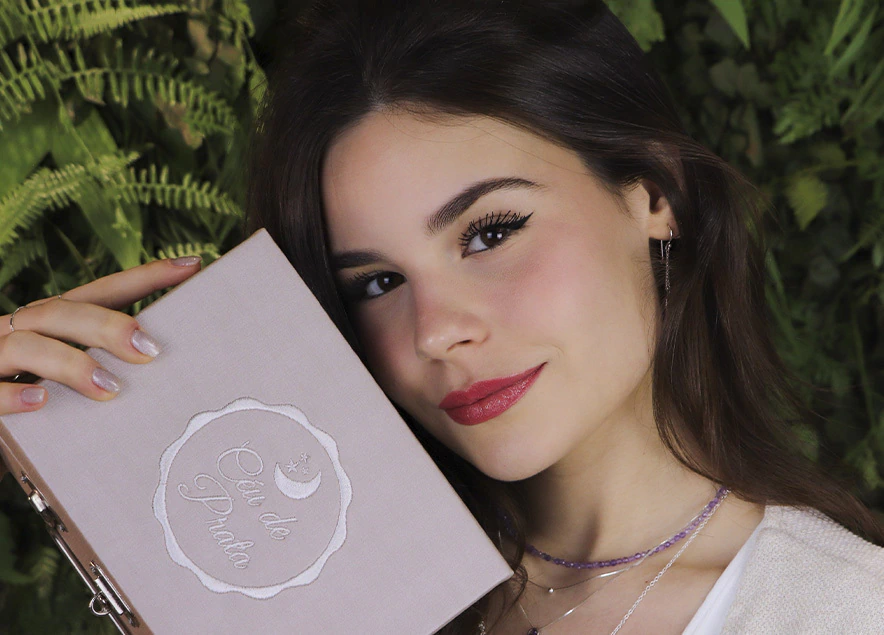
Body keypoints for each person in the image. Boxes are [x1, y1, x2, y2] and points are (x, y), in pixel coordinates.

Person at [2, 1, 882, 633]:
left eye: (489, 232)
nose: (434, 330)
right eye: (377, 283)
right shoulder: (330, 600)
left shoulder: (839, 607)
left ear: (655, 195)